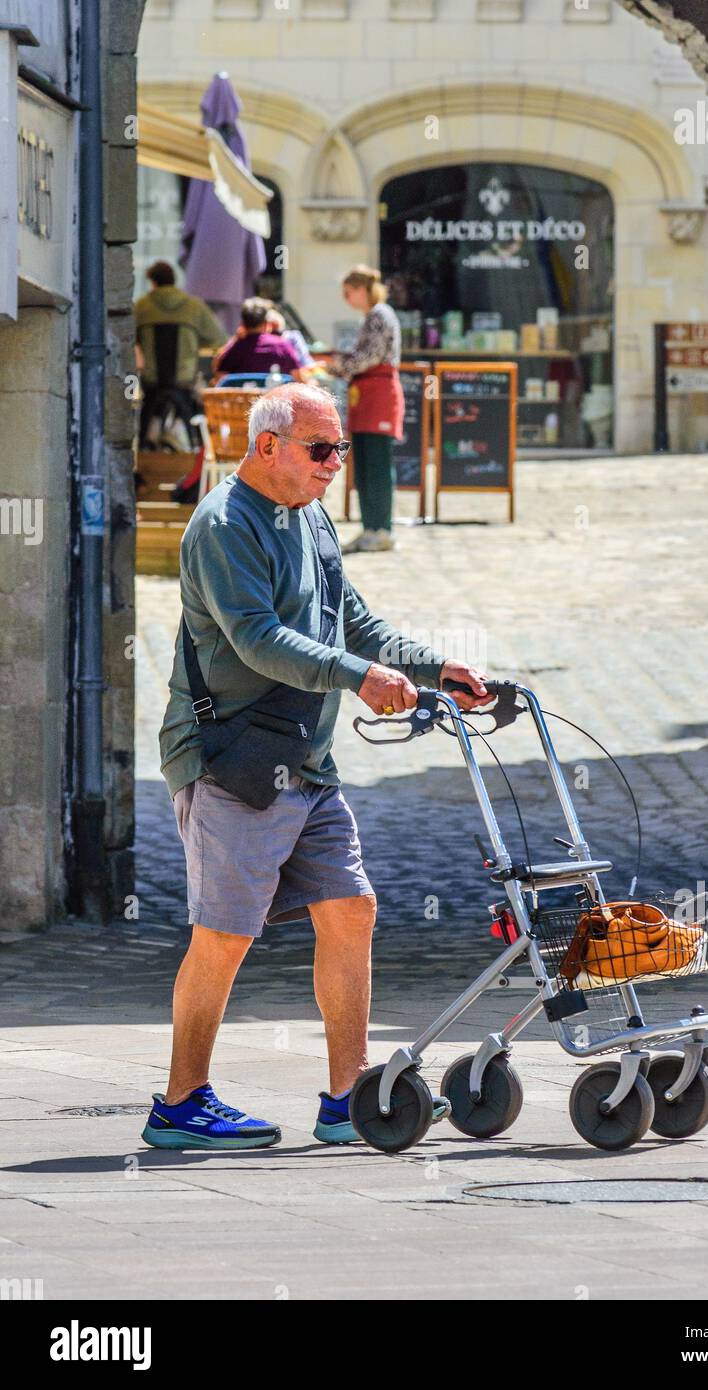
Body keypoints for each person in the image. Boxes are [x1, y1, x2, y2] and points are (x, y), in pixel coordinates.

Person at [145, 382, 489, 1151]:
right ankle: (179, 1102)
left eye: (340, 448)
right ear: (267, 446)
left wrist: (434, 668)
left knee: (351, 908)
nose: (338, 463)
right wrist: (357, 677)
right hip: (231, 757)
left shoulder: (311, 514)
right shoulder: (223, 525)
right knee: (225, 934)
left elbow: (354, 619)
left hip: (304, 755)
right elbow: (257, 639)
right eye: (321, 449)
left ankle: (348, 1097)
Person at [327, 265, 403, 554]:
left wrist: (337, 366)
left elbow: (369, 356)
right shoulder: (376, 315)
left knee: (377, 465)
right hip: (369, 395)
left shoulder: (379, 315)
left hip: (378, 396)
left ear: (361, 289)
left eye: (348, 292)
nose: (346, 299)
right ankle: (372, 527)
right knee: (367, 464)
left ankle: (381, 528)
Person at [134, 261, 226, 449]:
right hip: (184, 380)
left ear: (153, 282)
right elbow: (219, 338)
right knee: (189, 410)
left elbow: (126, 338)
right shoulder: (194, 306)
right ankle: (191, 448)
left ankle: (146, 448)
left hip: (152, 380)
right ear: (174, 280)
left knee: (147, 412)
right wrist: (193, 344)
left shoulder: (141, 307)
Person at [213, 297, 309, 381]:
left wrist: (234, 339)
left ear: (242, 323)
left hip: (242, 401)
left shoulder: (234, 349)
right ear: (267, 323)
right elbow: (299, 378)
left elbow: (219, 377)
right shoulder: (282, 346)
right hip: (273, 400)